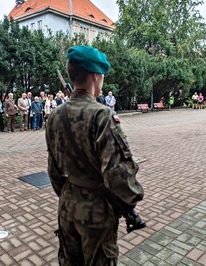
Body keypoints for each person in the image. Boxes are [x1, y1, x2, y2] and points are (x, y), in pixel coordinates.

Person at [46, 45, 144, 265]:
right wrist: (131, 199)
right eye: (102, 75)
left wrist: (71, 192)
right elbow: (117, 173)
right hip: (96, 209)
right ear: (95, 76)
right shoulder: (102, 114)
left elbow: (53, 169)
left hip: (67, 203)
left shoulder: (55, 115)